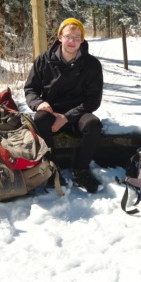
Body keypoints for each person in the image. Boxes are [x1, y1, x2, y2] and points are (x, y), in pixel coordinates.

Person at [24, 18, 103, 193]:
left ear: (82, 40)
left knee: (93, 124)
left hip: (78, 114)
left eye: (77, 37)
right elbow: (30, 89)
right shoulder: (44, 60)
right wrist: (39, 103)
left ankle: (81, 169)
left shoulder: (92, 65)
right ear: (60, 37)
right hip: (51, 112)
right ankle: (51, 167)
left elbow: (93, 100)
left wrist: (67, 117)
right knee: (40, 118)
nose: (72, 41)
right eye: (68, 36)